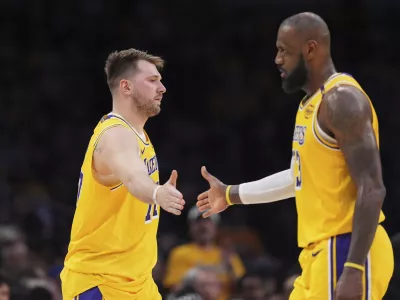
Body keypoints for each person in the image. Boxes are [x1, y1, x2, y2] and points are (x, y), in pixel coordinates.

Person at [197, 12, 393, 300]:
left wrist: (352, 268)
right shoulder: (310, 105)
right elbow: (299, 178)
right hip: (318, 254)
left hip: (345, 248)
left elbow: (373, 187)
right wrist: (230, 194)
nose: (277, 59)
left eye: (284, 51)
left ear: (310, 49)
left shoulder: (342, 101)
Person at [61, 48, 185, 300]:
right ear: (126, 87)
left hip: (139, 283)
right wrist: (156, 191)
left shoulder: (138, 134)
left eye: (160, 80)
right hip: (101, 281)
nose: (162, 88)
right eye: (152, 80)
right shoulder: (115, 134)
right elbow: (132, 176)